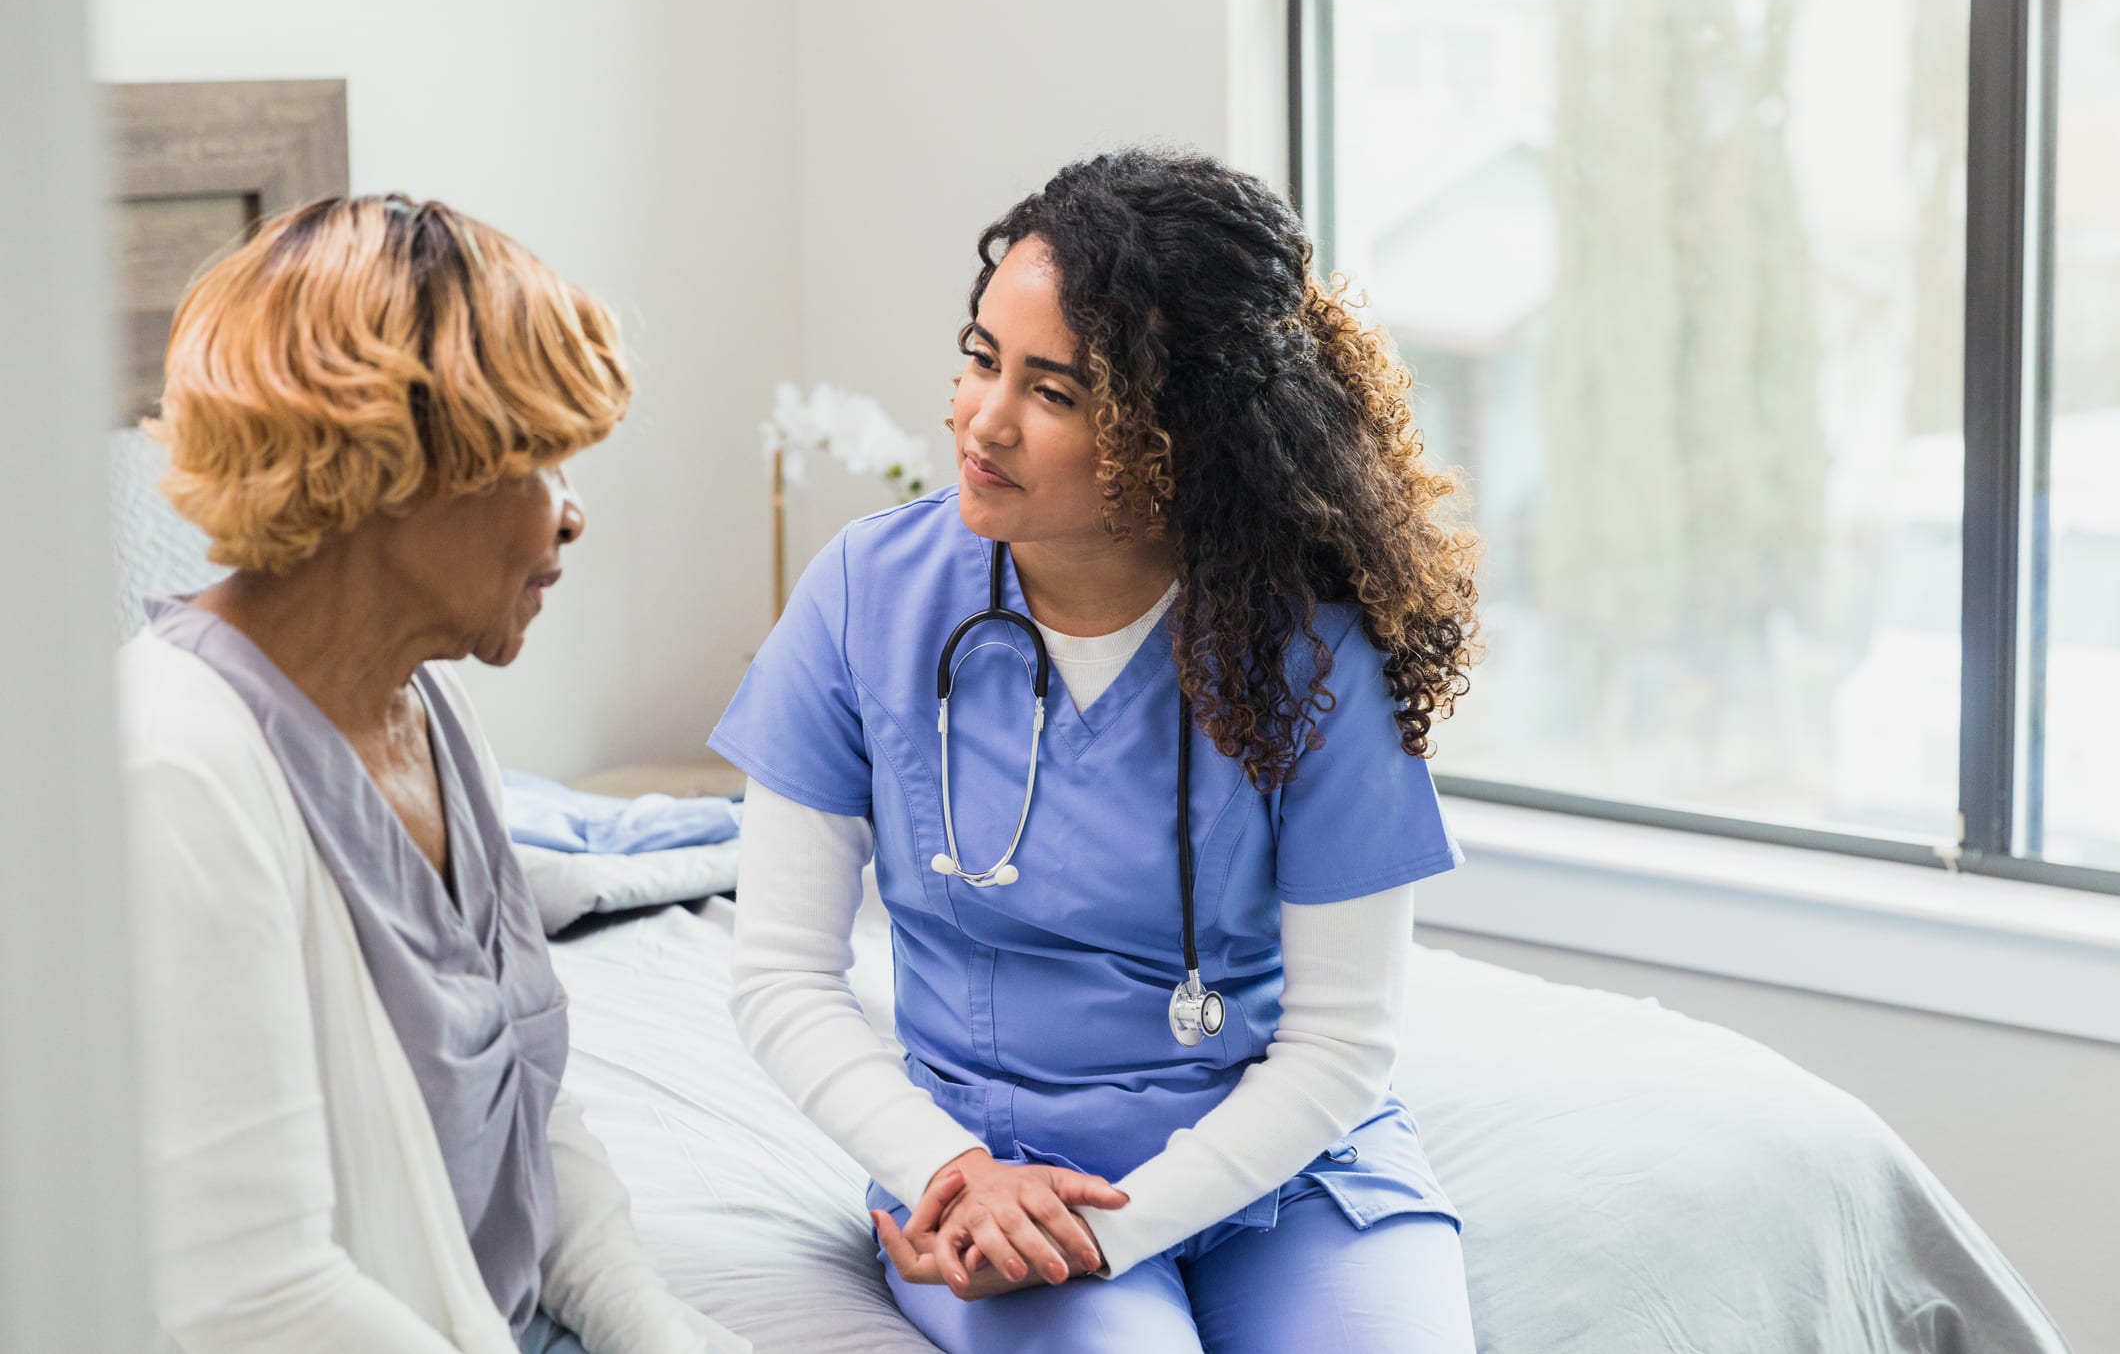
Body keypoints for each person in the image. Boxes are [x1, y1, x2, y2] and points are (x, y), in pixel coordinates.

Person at [715, 148, 1482, 1352]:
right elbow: (779, 975)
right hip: (995, 1174)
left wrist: (1117, 1231)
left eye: (1055, 393)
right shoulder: (868, 595)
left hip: (1287, 1173)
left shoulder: (1313, 646)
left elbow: (1341, 1042)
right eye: (980, 359)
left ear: (1178, 434)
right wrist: (950, 1174)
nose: (983, 418)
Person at [119, 196, 747, 1354]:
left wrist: (657, 1325)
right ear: (390, 470)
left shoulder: (432, 702)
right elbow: (250, 1297)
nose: (573, 513)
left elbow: (526, 1108)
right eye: (537, 459)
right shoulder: (175, 768)